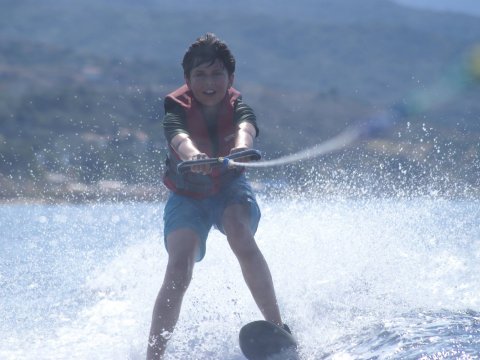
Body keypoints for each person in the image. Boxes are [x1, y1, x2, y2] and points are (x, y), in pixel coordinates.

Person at [146, 33, 287, 359]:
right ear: (187, 79)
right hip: (187, 197)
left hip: (229, 190)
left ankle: (279, 328)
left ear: (230, 78)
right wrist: (192, 154)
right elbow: (178, 136)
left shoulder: (240, 106)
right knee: (179, 267)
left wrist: (242, 146)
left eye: (216, 74)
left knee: (239, 234)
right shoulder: (175, 110)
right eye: (200, 75)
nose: (209, 83)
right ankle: (153, 355)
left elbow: (246, 128)